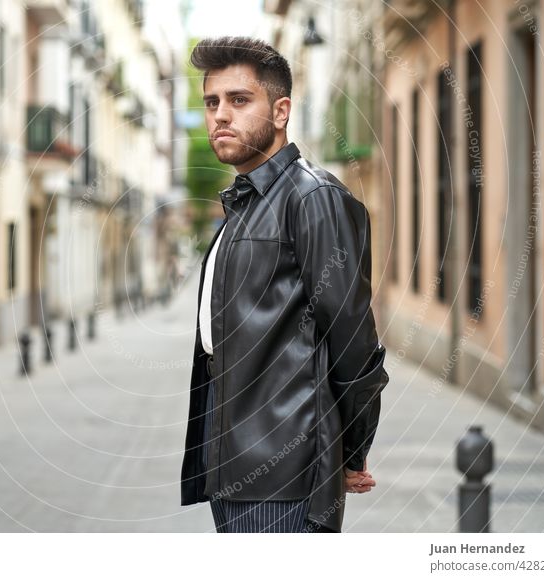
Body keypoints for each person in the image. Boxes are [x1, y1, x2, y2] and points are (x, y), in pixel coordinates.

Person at [179, 37, 390, 533]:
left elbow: (354, 343)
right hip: (231, 461)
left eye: (238, 100)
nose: (220, 116)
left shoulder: (313, 198)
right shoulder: (244, 203)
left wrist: (350, 451)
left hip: (284, 474)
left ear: (281, 111)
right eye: (211, 103)